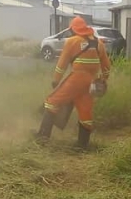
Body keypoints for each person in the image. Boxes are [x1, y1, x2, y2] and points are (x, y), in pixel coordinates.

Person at [35, 16, 111, 149]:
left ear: (73, 29)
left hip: (77, 79)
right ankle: (82, 145)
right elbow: (106, 66)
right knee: (85, 111)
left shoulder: (72, 41)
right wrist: (103, 79)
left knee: (52, 102)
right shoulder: (99, 43)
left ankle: (42, 137)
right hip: (91, 82)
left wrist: (56, 80)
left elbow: (62, 63)